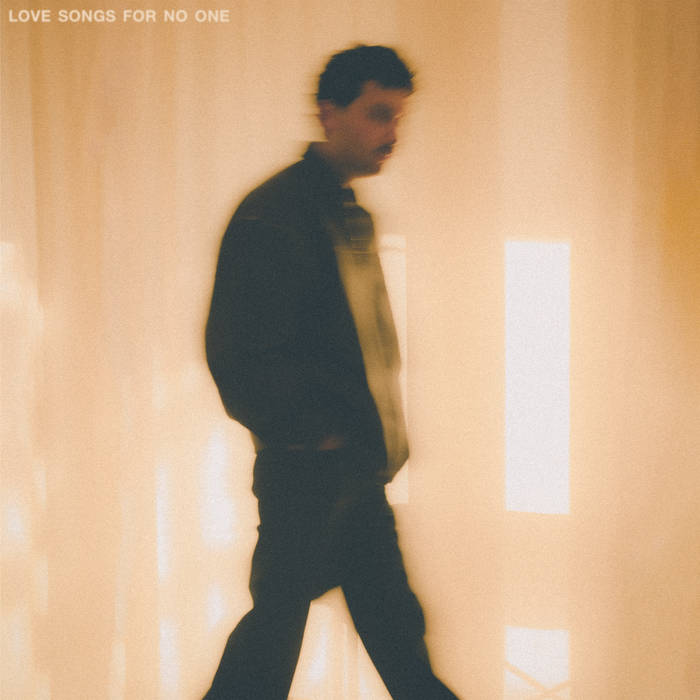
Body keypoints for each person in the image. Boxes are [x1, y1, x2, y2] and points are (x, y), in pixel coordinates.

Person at [204, 44, 459, 700]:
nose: (392, 132)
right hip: (312, 474)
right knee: (275, 647)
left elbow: (361, 351)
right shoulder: (276, 215)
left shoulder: (346, 215)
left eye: (398, 116)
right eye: (378, 114)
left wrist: (361, 446)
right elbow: (238, 352)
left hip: (351, 472)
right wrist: (313, 436)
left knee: (384, 641)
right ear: (329, 113)